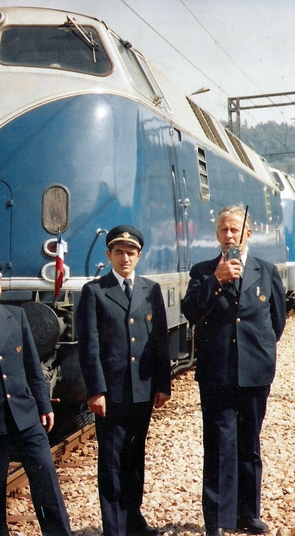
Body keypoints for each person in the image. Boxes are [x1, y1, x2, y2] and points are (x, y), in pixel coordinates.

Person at [181, 205, 287, 536]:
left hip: (255, 372)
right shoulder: (203, 271)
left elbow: (277, 322)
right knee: (218, 446)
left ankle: (248, 514)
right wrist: (217, 280)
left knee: (249, 444)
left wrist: (257, 351)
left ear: (247, 234)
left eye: (235, 230)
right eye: (224, 230)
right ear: (217, 235)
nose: (230, 235)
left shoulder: (266, 271)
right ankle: (217, 519)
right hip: (217, 373)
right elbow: (191, 312)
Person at [0, 258, 72, 536]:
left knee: (46, 481)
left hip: (26, 417)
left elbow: (33, 366)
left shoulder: (16, 316)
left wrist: (44, 405)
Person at [76, 225, 172, 536]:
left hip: (142, 389)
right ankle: (114, 527)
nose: (125, 258)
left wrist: (163, 385)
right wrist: (96, 391)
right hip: (112, 392)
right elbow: (89, 346)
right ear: (109, 255)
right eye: (119, 252)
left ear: (139, 256)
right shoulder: (94, 291)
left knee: (135, 456)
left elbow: (160, 341)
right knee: (112, 459)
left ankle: (133, 520)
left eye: (131, 253)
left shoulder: (150, 289)